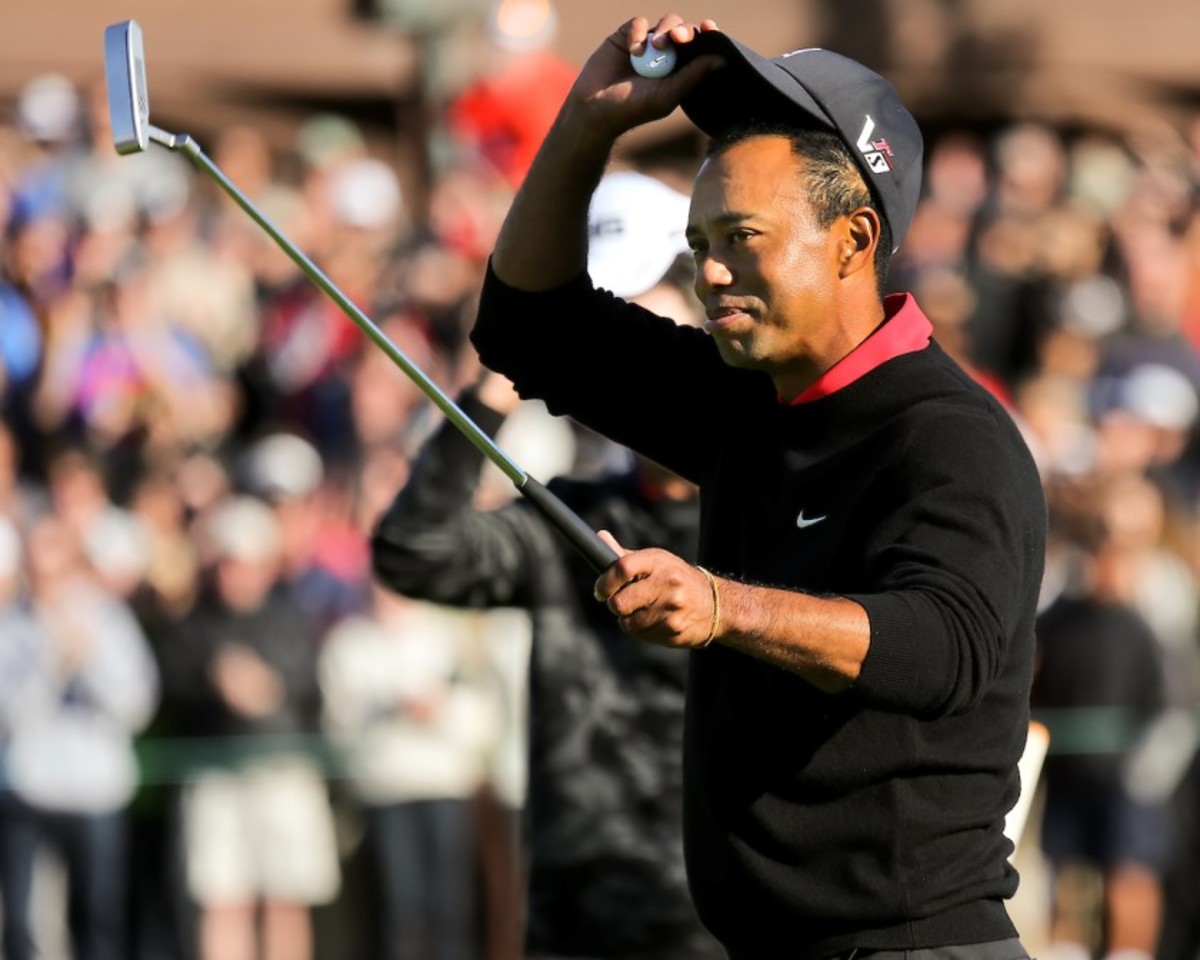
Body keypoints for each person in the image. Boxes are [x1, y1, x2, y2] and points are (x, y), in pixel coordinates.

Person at [465, 14, 1047, 959]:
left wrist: (722, 606)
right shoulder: (747, 397)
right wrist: (587, 122)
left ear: (855, 240)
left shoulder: (951, 435)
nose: (711, 273)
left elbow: (940, 647)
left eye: (741, 237)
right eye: (699, 243)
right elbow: (527, 327)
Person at [372, 169, 724, 959]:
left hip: (726, 918)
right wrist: (494, 388)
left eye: (648, 336)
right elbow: (414, 553)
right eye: (609, 347)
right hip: (576, 916)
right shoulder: (573, 516)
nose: (626, 371)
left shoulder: (773, 512)